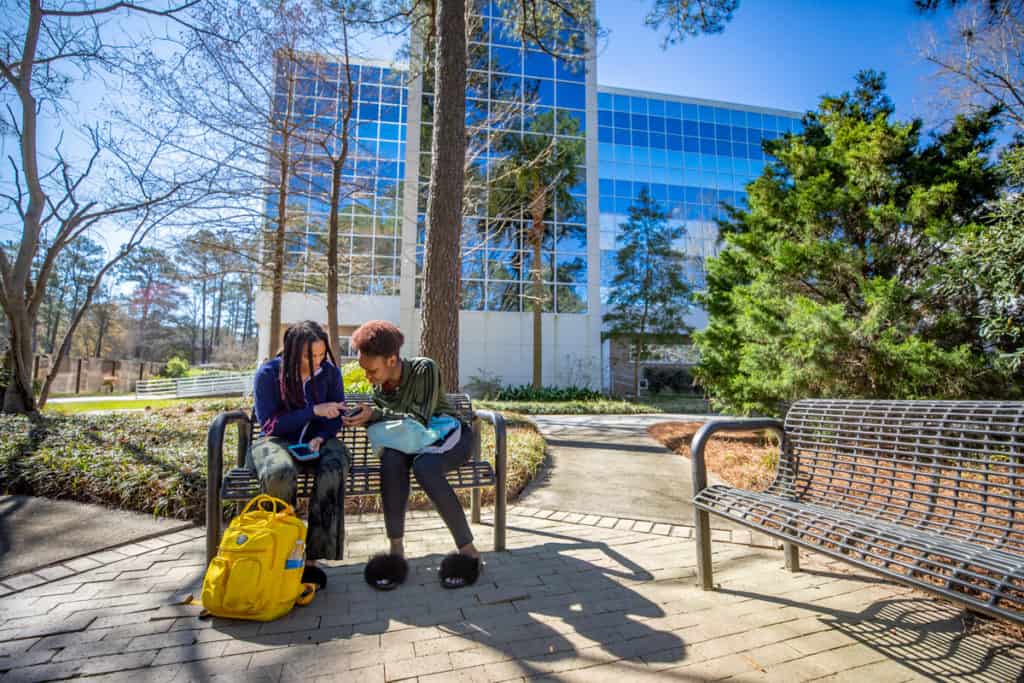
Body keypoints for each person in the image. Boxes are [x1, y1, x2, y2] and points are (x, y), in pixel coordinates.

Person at [343, 320, 482, 590]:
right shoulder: (380, 388)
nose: (367, 377)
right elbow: (396, 427)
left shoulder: (424, 368)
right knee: (391, 461)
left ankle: (469, 552)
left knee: (425, 467)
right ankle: (396, 552)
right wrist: (364, 417)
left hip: (450, 436)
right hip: (414, 443)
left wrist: (377, 415)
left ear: (392, 358)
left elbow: (419, 416)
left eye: (371, 370)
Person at [251, 320, 350, 589]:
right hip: (276, 442)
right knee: (279, 474)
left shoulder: (329, 373)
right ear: (294, 352)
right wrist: (313, 411)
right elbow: (270, 424)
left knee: (334, 467)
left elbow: (336, 417)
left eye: (321, 354)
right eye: (311, 356)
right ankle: (283, 552)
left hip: (318, 441)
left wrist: (321, 435)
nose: (318, 361)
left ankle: (312, 561)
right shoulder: (269, 374)